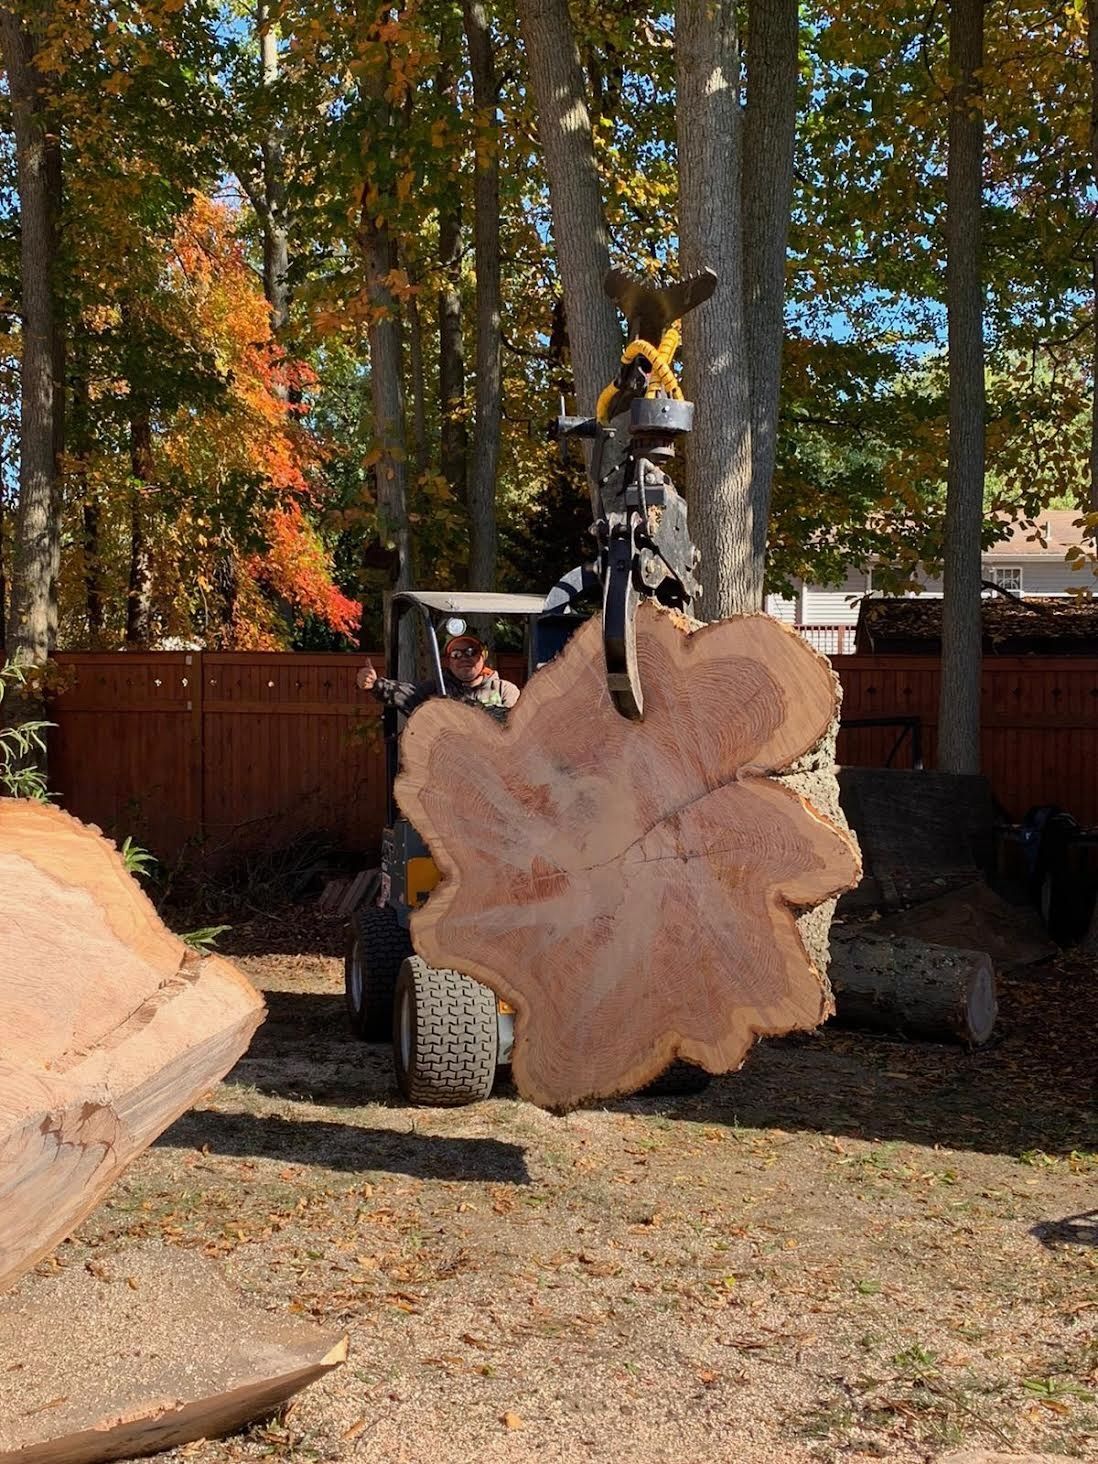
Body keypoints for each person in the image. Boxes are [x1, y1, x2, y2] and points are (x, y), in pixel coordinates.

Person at [355, 633, 520, 717]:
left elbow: (512, 727)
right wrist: (376, 684)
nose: (464, 658)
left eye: (471, 652)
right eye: (456, 654)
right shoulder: (436, 689)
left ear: (483, 656)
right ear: (448, 661)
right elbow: (406, 693)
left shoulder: (504, 690)